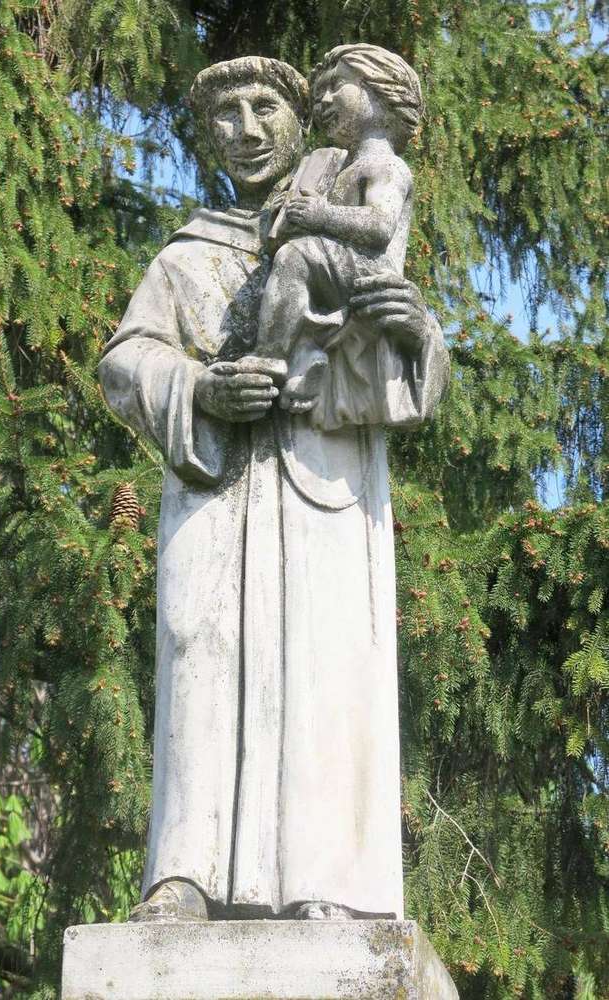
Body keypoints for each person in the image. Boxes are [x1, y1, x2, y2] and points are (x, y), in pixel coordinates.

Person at [98, 55, 449, 924]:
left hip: (325, 486)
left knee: (327, 670)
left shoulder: (347, 215)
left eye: (264, 108)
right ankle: (183, 876)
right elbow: (126, 361)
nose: (246, 130)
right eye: (226, 114)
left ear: (302, 120)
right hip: (213, 495)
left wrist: (414, 332)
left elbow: (409, 361)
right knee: (200, 661)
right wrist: (199, 389)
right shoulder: (187, 253)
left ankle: (327, 885)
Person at [253, 44, 422, 415]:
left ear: (383, 91)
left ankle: (270, 356)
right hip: (344, 270)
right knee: (296, 265)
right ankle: (307, 358)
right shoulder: (336, 167)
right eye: (319, 94)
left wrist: (320, 214)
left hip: (371, 275)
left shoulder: (385, 166)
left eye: (337, 85)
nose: (324, 101)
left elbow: (379, 226)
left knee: (296, 258)